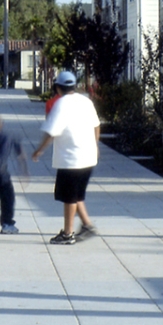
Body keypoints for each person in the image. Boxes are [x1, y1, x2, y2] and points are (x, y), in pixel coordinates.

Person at [33, 69, 100, 245]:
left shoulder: (61, 104)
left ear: (57, 87)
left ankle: (68, 234)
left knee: (69, 197)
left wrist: (39, 150)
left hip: (71, 159)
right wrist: (95, 144)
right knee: (77, 194)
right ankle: (87, 225)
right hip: (88, 156)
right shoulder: (86, 101)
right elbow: (96, 125)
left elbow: (51, 131)